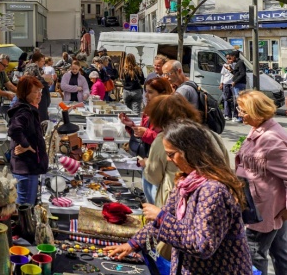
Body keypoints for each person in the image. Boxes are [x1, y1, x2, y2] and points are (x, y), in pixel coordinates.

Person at [106, 120, 251, 274]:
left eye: (171, 154)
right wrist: (132, 244)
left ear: (189, 151)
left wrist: (162, 218)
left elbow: (202, 245)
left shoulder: (213, 191)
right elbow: (160, 223)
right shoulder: (186, 182)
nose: (168, 159)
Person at [142, 95, 228, 209]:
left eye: (171, 155)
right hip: (210, 197)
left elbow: (153, 177)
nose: (169, 158)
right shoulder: (211, 134)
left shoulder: (163, 139)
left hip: (178, 201)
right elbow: (225, 163)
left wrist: (147, 164)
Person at [235, 90, 287, 275]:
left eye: (243, 111)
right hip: (265, 206)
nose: (239, 114)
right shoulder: (261, 127)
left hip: (263, 210)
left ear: (256, 111)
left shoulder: (271, 139)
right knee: (279, 251)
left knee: (254, 254)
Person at [121, 77, 174, 204]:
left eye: (150, 92)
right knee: (149, 198)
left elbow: (167, 142)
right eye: (146, 91)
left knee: (157, 202)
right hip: (146, 159)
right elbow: (143, 132)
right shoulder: (149, 109)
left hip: (159, 165)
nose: (146, 95)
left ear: (163, 93)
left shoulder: (170, 112)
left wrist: (146, 133)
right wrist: (132, 126)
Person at [8, 76, 49, 205]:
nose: (39, 95)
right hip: (26, 168)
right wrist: (26, 145)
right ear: (25, 93)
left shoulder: (29, 109)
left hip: (27, 166)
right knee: (25, 208)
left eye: (40, 91)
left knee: (25, 206)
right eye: (35, 92)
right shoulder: (24, 111)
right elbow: (14, 130)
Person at [22, 52, 51, 121]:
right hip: (35, 97)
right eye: (42, 61)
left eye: (44, 61)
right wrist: (44, 79)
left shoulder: (40, 69)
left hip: (41, 96)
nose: (43, 63)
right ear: (36, 61)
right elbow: (31, 80)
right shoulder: (32, 67)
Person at [230, 50, 248, 122]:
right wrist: (231, 70)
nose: (231, 59)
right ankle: (240, 117)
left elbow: (242, 73)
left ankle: (241, 117)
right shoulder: (238, 63)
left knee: (239, 101)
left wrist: (235, 81)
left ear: (234, 56)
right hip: (237, 84)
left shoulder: (240, 63)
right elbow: (237, 73)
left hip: (239, 84)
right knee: (238, 101)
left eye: (231, 57)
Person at [220, 53, 236, 120]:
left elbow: (236, 73)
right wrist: (221, 83)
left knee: (235, 99)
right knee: (226, 99)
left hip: (233, 83)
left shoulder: (235, 65)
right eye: (227, 59)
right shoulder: (224, 65)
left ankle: (235, 115)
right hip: (226, 83)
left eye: (229, 58)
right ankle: (227, 114)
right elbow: (223, 75)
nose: (228, 60)